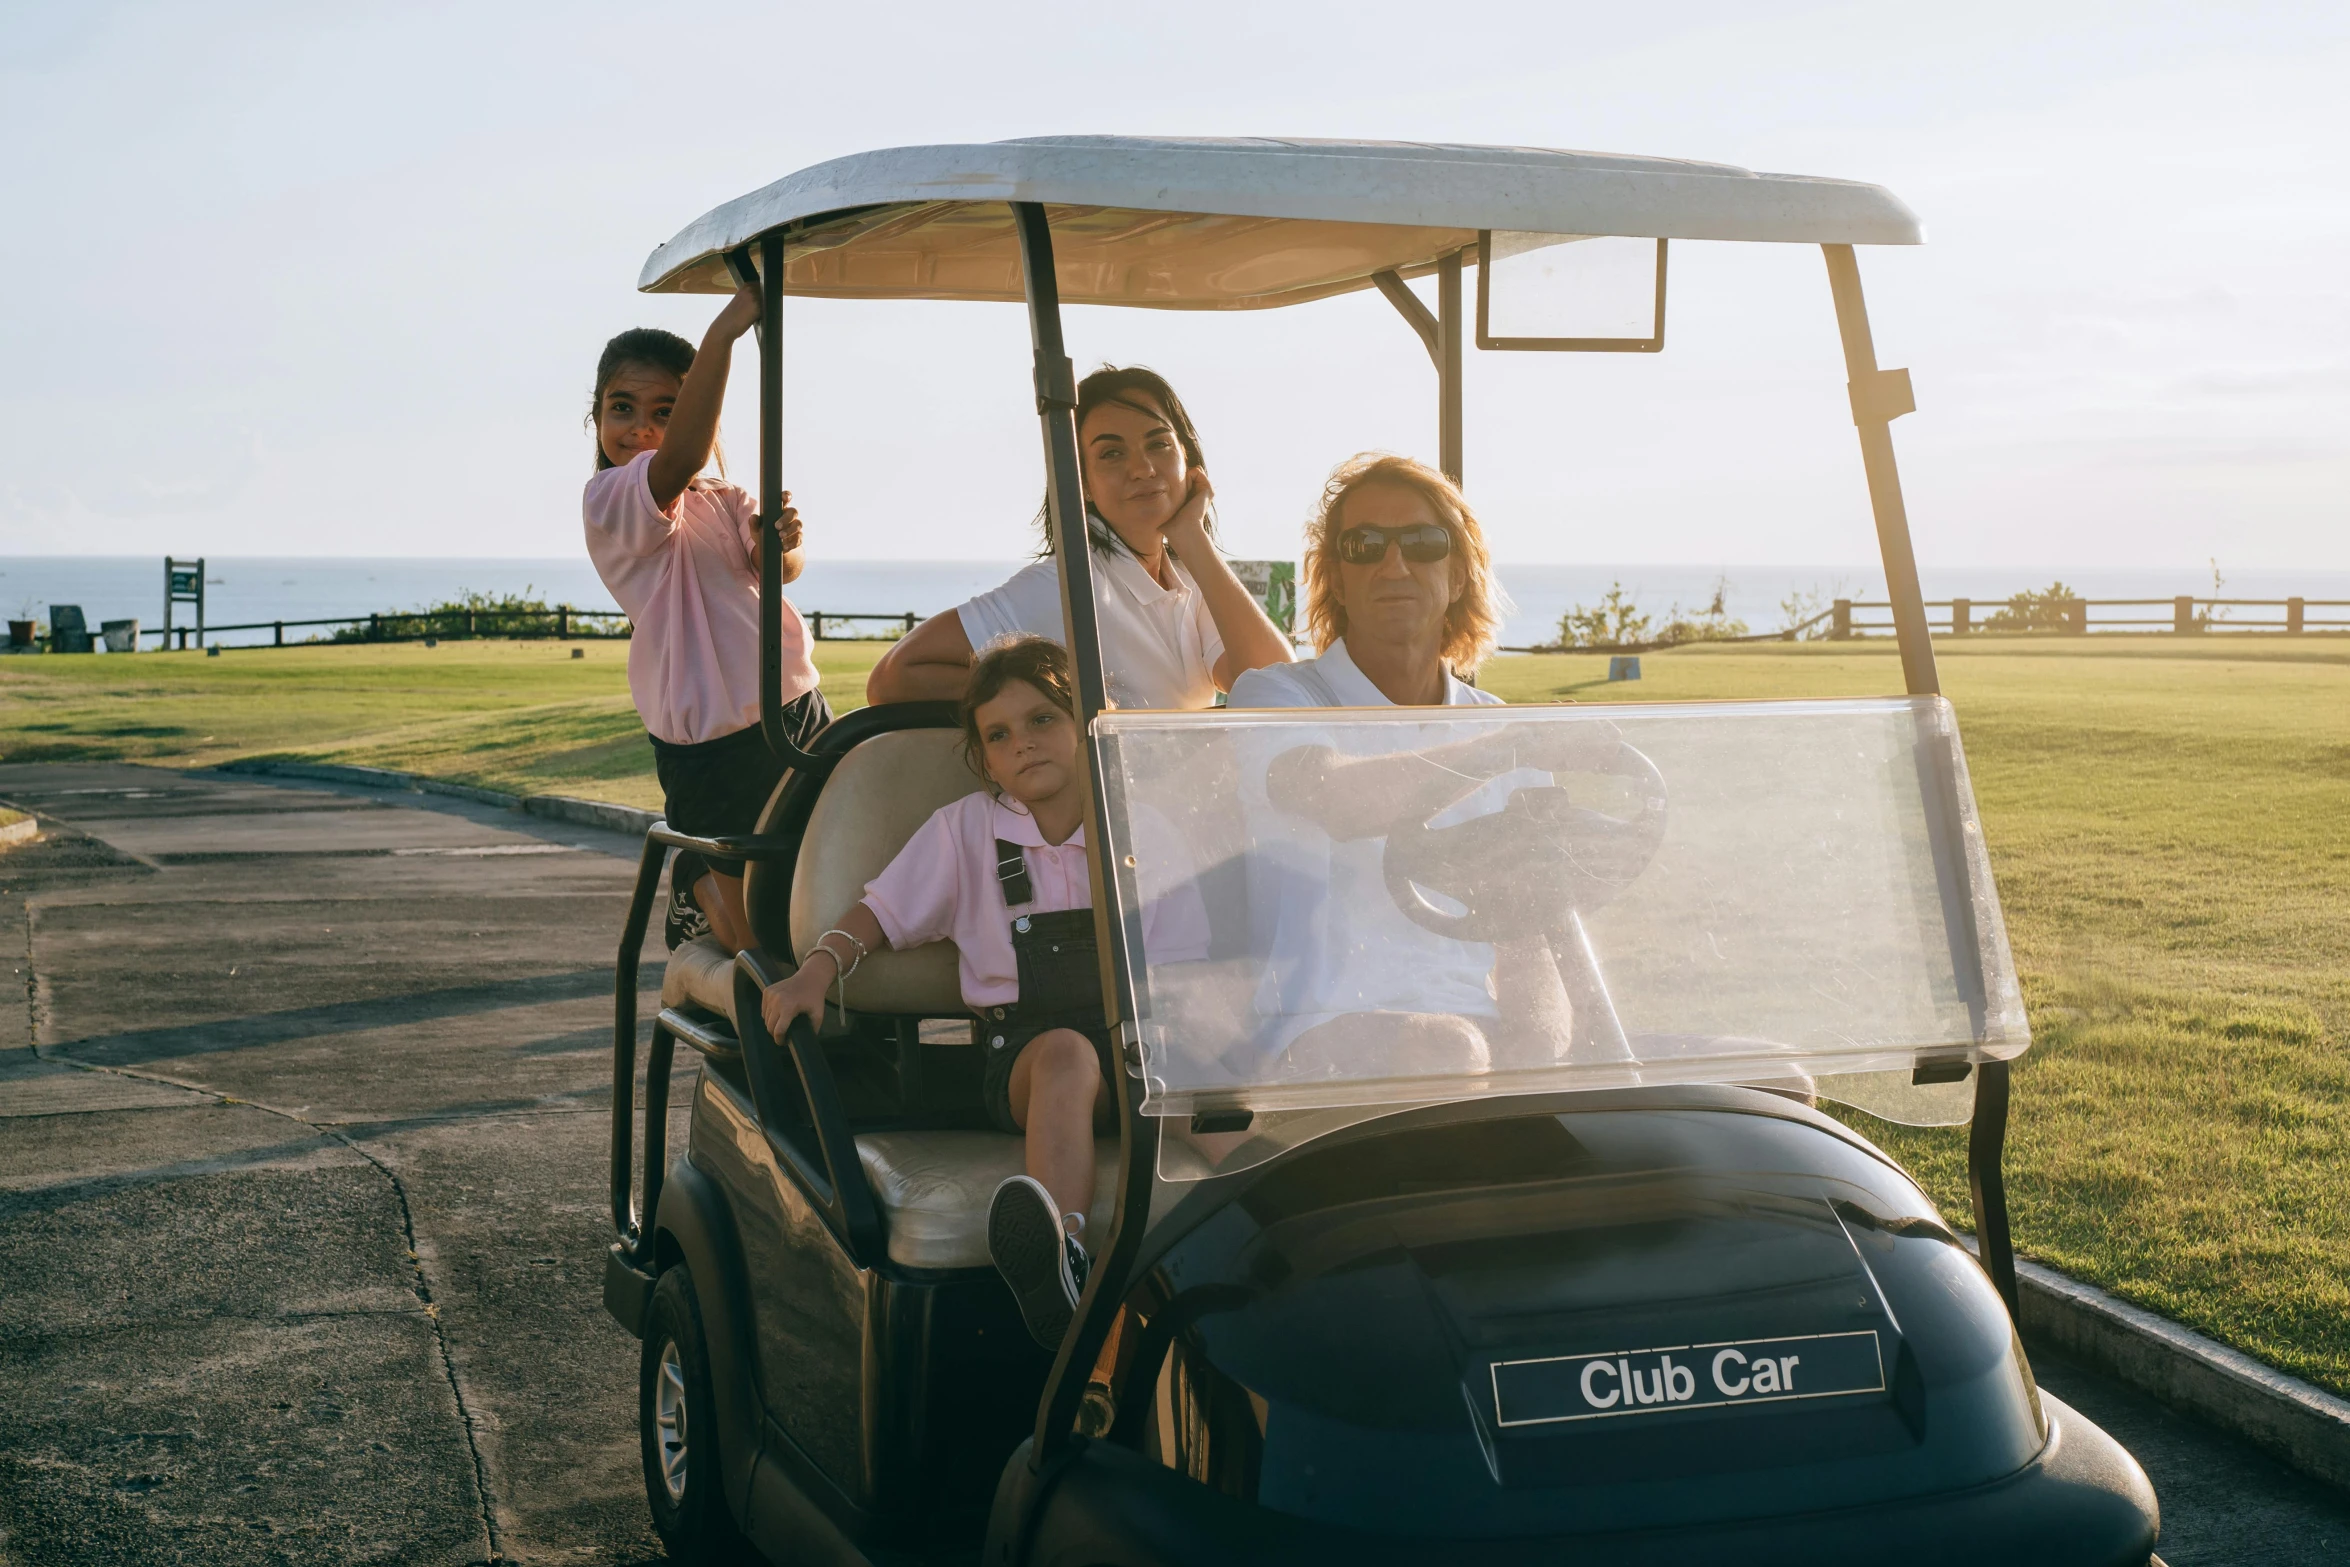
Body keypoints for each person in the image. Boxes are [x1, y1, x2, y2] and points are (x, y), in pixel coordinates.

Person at [760, 637, 1204, 1348]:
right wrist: (817, 969)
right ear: (985, 758)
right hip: (1027, 1057)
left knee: (1207, 1091)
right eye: (999, 735)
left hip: (1137, 1049)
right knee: (1066, 1057)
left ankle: (1292, 1231)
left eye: (1042, 720)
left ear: (1087, 720)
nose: (1022, 744)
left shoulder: (1138, 828)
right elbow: (879, 912)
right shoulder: (965, 832)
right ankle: (1062, 1255)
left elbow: (1183, 966)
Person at [1227, 454, 1609, 1077]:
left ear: (1458, 574)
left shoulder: (1501, 726)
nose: (1394, 564)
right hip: (1314, 1027)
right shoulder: (1277, 698)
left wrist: (1537, 1053)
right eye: (1365, 545)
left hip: (1475, 1029)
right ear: (1337, 579)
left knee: (1772, 1077)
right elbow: (1339, 799)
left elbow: (1528, 940)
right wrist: (1509, 747)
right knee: (1449, 1055)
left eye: (1423, 543)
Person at [582, 286, 827, 955]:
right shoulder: (612, 501)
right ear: (595, 417)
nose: (640, 427)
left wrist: (782, 538)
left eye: (667, 411)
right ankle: (703, 887)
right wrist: (723, 334)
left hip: (795, 706)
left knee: (819, 870)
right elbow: (679, 458)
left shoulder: (725, 498)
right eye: (622, 408)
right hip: (711, 741)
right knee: (759, 931)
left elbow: (784, 565)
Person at [865, 366, 1293, 710]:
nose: (1142, 468)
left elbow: (1275, 684)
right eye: (1111, 453)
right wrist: (1063, 702)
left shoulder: (1189, 577)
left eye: (1159, 444)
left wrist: (1193, 540)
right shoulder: (1068, 583)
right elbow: (894, 677)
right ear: (1081, 483)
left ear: (1189, 461)